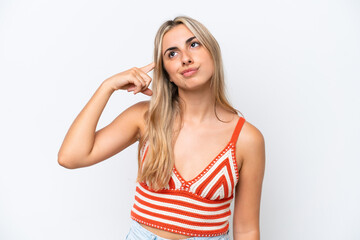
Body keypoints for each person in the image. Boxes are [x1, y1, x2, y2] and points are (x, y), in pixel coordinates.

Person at [58, 16, 265, 240]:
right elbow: (71, 157)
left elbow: (246, 229)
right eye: (172, 54)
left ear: (213, 53)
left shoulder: (247, 139)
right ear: (166, 71)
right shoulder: (146, 118)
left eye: (194, 44)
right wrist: (107, 86)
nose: (185, 58)